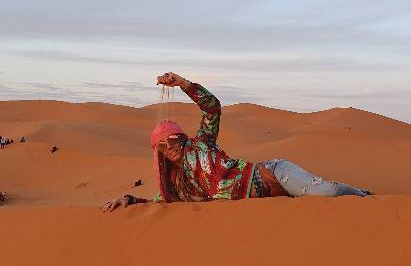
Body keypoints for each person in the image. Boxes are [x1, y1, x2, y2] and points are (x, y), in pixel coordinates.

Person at [103, 72, 372, 211]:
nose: (169, 145)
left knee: (326, 194)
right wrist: (129, 199)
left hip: (271, 174)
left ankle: (364, 196)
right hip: (266, 202)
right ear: (157, 152)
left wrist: (184, 83)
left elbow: (212, 108)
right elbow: (158, 203)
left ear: (182, 138)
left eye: (173, 139)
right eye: (161, 144)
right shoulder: (174, 186)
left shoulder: (202, 145)